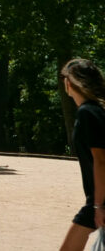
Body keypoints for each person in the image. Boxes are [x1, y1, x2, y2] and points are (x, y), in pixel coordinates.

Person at [59, 58, 105, 251]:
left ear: (70, 83)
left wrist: (98, 206)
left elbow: (101, 160)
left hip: (99, 201)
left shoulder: (88, 113)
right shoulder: (95, 111)